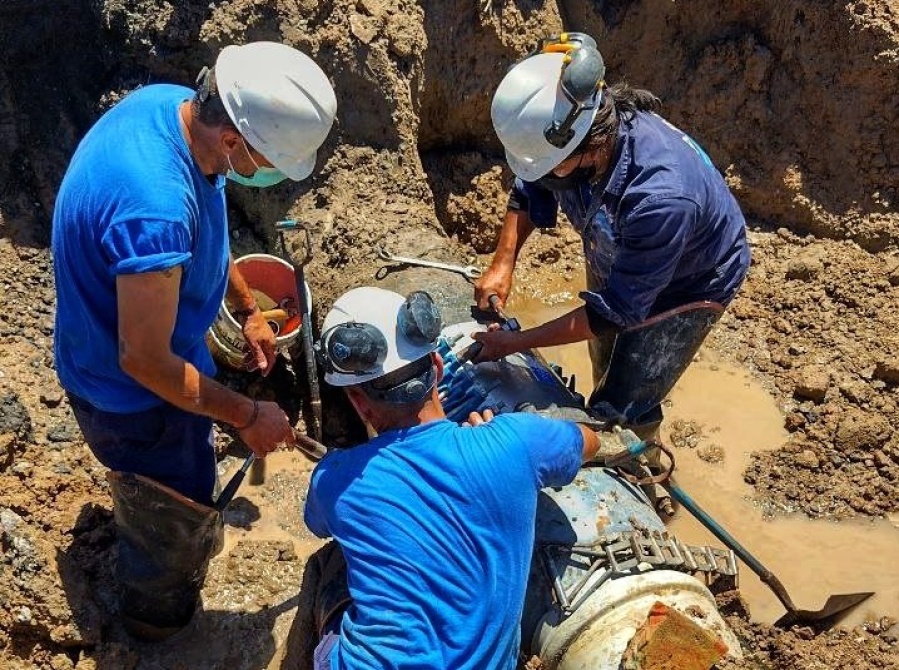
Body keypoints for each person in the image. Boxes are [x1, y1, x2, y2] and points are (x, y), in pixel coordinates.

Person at [51, 41, 337, 640]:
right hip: (132, 397)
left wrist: (247, 308)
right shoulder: (153, 206)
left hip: (149, 354)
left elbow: (204, 222)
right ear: (233, 139)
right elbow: (144, 360)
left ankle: (167, 518)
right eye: (269, 159)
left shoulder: (176, 109)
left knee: (186, 471)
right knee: (171, 520)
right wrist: (247, 415)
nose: (269, 171)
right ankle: (156, 618)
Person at [303, 286, 604, 669]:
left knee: (331, 562)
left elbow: (316, 524)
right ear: (438, 366)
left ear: (359, 403)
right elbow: (590, 441)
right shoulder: (516, 442)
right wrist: (493, 438)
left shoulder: (333, 479)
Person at [473, 33, 751, 447]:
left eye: (551, 169)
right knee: (601, 356)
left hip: (690, 283)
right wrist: (502, 264)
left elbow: (615, 312)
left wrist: (517, 343)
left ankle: (640, 457)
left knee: (624, 403)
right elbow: (530, 186)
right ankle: (606, 404)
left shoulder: (660, 199)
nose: (544, 176)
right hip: (621, 249)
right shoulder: (570, 137)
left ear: (589, 146)